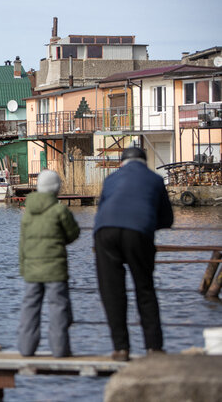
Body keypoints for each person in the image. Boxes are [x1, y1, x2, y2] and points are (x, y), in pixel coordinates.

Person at [94, 146, 173, 361]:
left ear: (122, 163)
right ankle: (154, 348)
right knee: (144, 288)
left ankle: (121, 349)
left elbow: (101, 210)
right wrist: (146, 224)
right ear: (144, 162)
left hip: (105, 231)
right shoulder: (155, 179)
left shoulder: (111, 179)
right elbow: (168, 219)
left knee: (112, 291)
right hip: (138, 232)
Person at [17, 170, 81, 358]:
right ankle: (60, 350)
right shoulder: (59, 210)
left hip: (31, 270)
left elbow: (22, 243)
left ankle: (26, 349)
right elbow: (73, 234)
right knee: (58, 307)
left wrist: (23, 268)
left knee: (30, 307)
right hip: (55, 270)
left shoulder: (28, 212)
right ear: (56, 189)